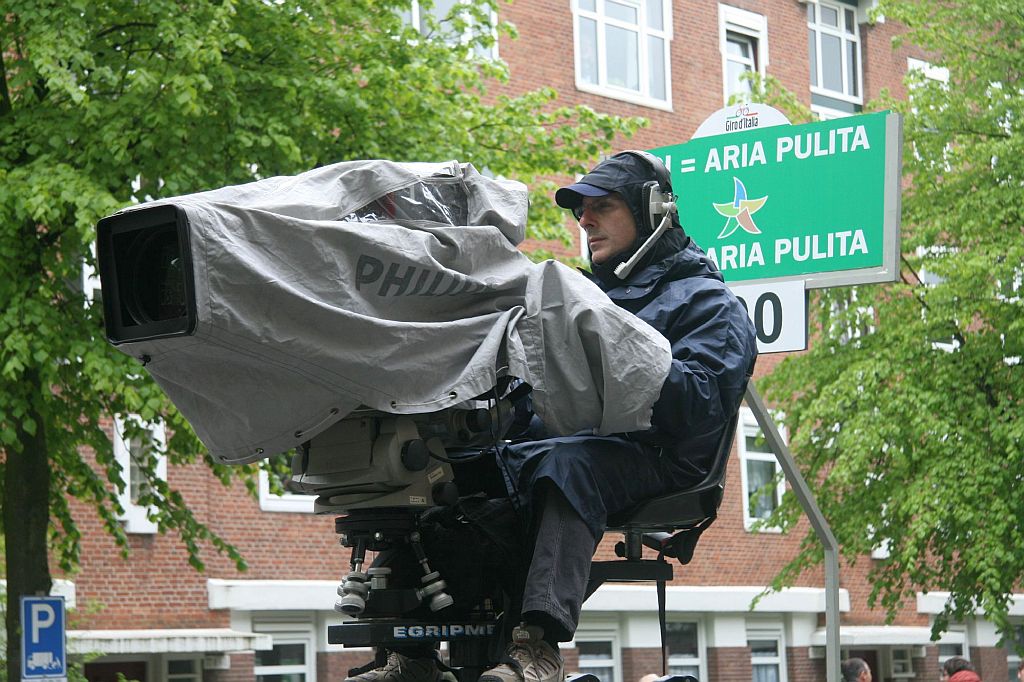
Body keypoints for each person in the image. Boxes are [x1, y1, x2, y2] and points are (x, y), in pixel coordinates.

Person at [347, 151, 757, 682]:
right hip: (572, 447)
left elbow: (699, 406)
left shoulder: (709, 302)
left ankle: (537, 644)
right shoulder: (585, 297)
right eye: (580, 211)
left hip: (662, 460)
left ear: (654, 210)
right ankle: (409, 652)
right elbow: (536, 399)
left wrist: (618, 347)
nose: (585, 221)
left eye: (602, 207)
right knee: (441, 471)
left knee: (568, 464)